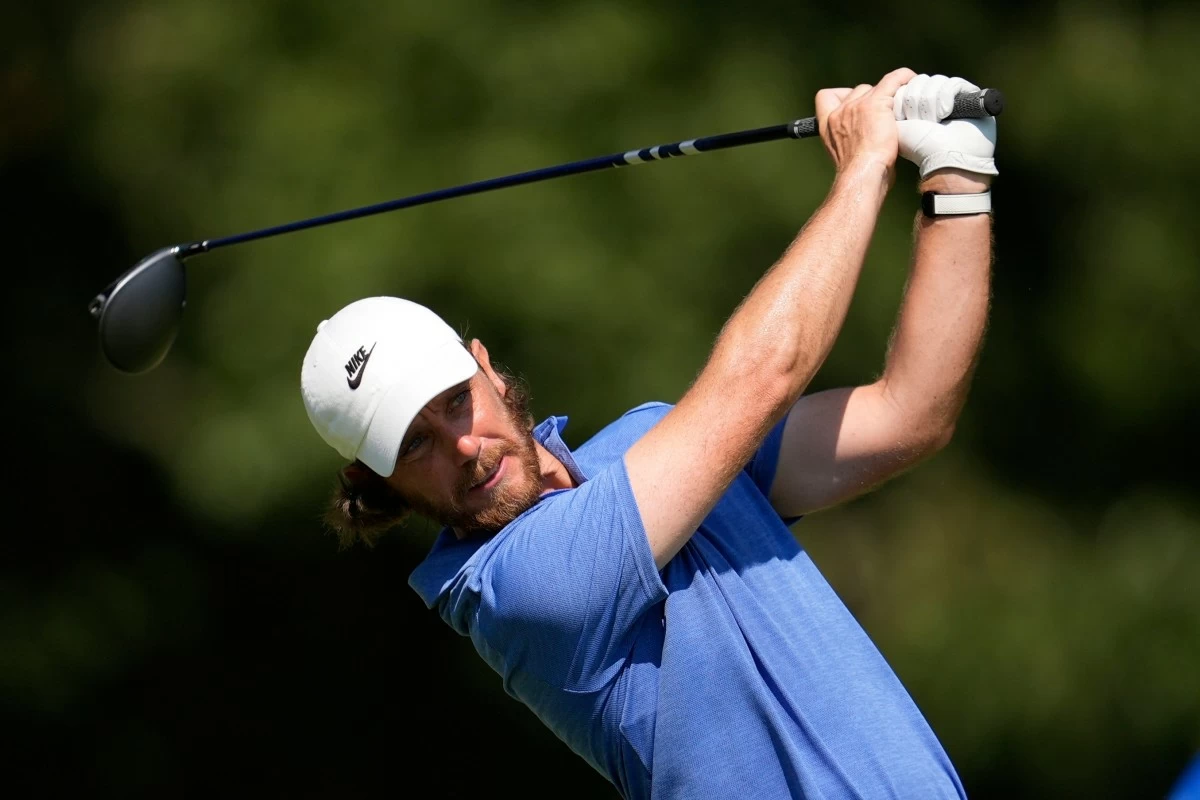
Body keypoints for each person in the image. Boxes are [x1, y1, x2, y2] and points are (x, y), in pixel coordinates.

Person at [299, 67, 997, 799]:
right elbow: (762, 376)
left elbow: (909, 415)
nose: (462, 447)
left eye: (453, 402)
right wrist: (863, 167)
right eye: (415, 446)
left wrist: (958, 177)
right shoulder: (519, 591)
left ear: (486, 369)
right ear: (381, 487)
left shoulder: (650, 443)